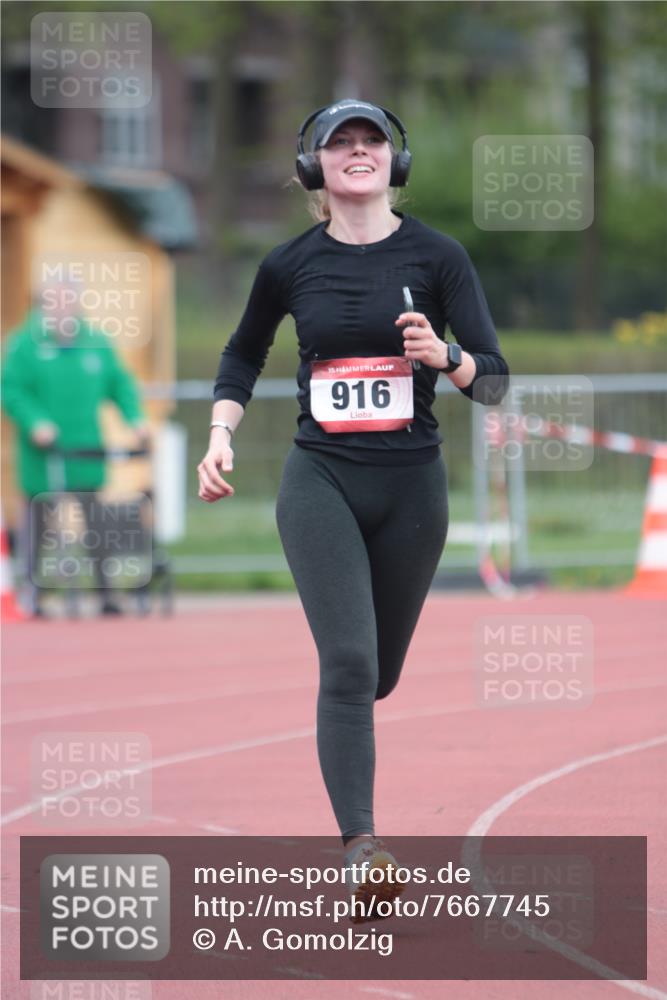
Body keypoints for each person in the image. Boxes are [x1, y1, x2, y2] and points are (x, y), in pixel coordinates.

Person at [198, 99, 509, 921]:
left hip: (412, 486)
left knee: (379, 674)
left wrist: (446, 357)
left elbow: (499, 382)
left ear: (393, 164)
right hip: (320, 480)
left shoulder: (439, 257)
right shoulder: (287, 263)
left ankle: (354, 755)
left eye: (373, 141)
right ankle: (362, 853)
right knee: (346, 666)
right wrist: (220, 433)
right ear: (316, 169)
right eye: (342, 144)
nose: (359, 152)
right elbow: (240, 352)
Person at [1, 283, 151, 617]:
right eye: (55, 303)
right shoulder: (25, 344)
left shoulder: (95, 343)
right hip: (43, 457)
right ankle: (35, 596)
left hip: (87, 453)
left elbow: (119, 384)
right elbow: (11, 390)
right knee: (39, 527)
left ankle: (106, 594)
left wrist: (135, 419)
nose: (62, 310)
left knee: (97, 523)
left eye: (68, 302)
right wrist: (35, 421)